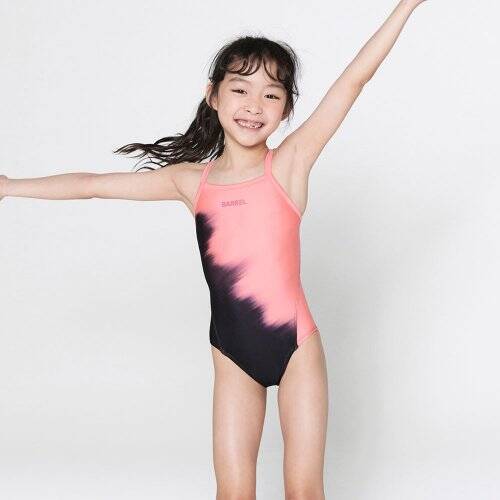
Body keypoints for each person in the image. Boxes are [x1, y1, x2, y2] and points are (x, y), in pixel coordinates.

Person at [0, 1, 429, 497]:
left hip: (296, 348)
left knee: (304, 491)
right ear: (213, 95)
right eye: (240, 89)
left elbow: (354, 80)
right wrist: (9, 186)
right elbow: (93, 184)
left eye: (271, 94)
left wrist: (407, 5)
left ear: (287, 109)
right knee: (232, 493)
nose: (254, 105)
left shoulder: (288, 165)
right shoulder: (190, 182)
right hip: (232, 355)